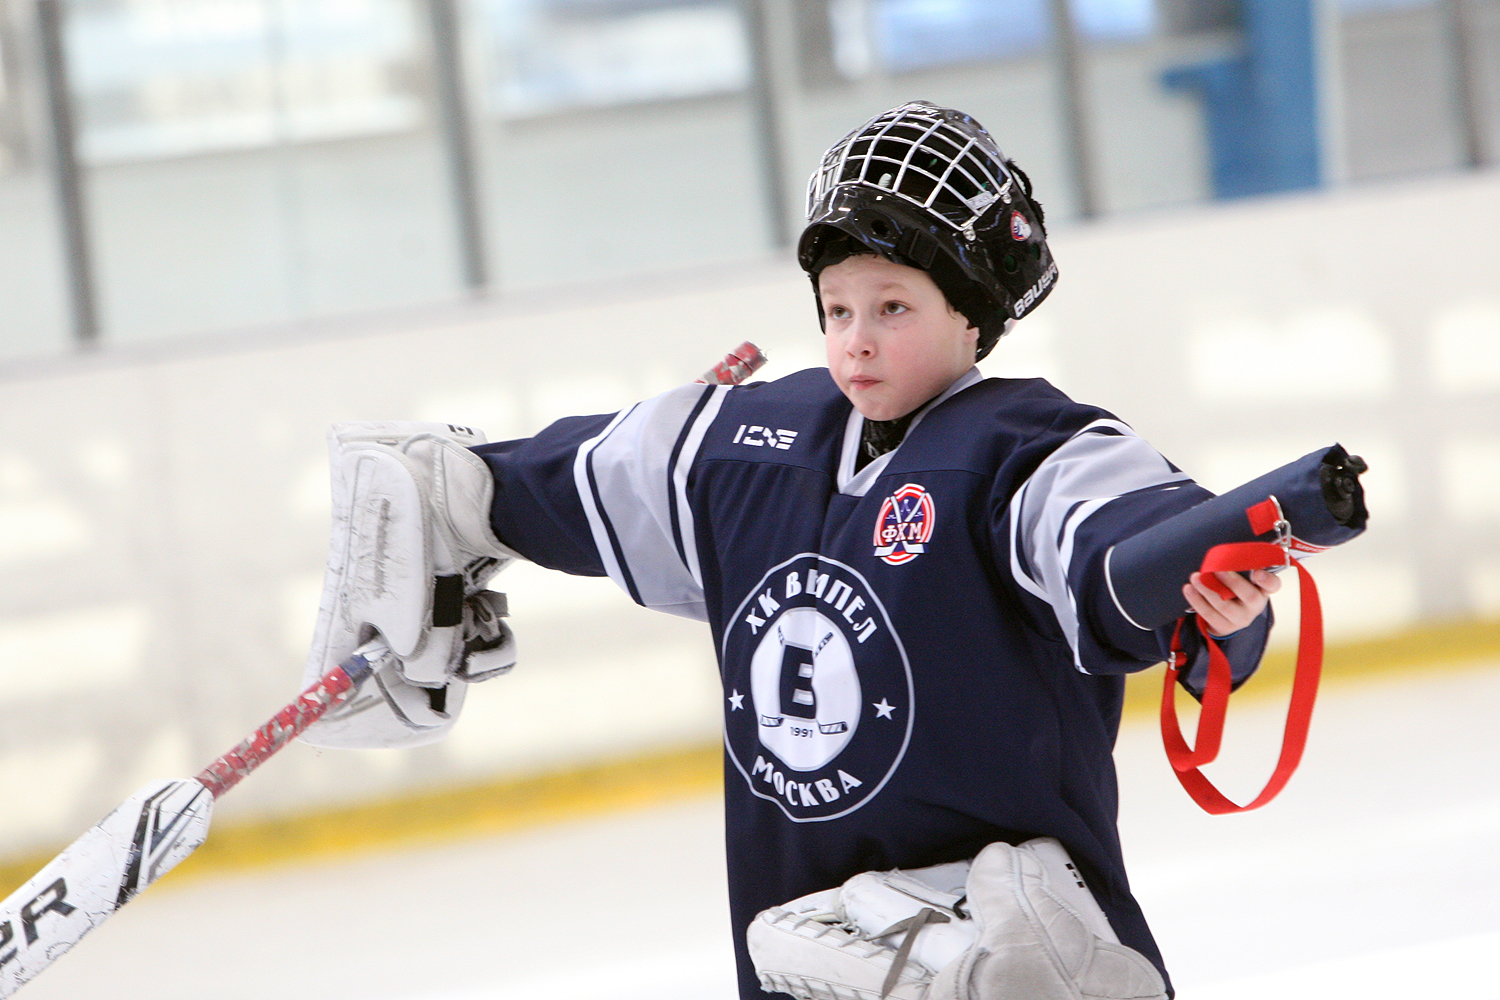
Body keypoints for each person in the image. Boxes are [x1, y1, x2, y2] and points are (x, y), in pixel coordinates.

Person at [300, 102, 1363, 1000]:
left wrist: (1212, 598)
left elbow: (1115, 546)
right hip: (803, 947)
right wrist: (448, 501)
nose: (855, 335)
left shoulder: (1028, 448)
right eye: (837, 307)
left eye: (893, 306)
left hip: (1000, 941)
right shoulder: (747, 445)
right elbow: (566, 483)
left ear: (975, 321)